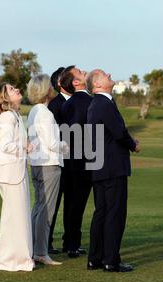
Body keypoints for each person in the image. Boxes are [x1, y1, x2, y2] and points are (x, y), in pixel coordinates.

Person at [86, 69, 139, 272]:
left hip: (100, 166)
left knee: (102, 212)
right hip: (112, 166)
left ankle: (96, 258)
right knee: (114, 213)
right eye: (103, 74)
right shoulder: (104, 104)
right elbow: (119, 132)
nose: (109, 74)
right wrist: (133, 144)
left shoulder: (96, 104)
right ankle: (110, 260)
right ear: (97, 85)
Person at [0, 83, 34, 272]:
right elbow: (6, 145)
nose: (16, 89)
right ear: (4, 97)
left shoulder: (15, 115)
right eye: (11, 89)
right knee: (13, 217)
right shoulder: (7, 117)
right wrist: (24, 147)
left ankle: (21, 258)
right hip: (10, 173)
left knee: (19, 216)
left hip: (16, 170)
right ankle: (11, 260)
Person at [27, 74, 68, 265]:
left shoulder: (34, 111)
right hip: (49, 165)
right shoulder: (46, 113)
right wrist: (65, 146)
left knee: (38, 208)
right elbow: (52, 143)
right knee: (46, 211)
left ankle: (35, 248)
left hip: (36, 164)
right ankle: (41, 252)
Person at [59, 66, 92, 258]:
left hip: (70, 159)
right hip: (84, 160)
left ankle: (70, 242)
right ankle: (73, 243)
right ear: (76, 82)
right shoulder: (87, 102)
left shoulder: (68, 104)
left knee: (71, 202)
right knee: (77, 203)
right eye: (81, 72)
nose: (84, 71)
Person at [47, 67, 72, 254]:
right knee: (52, 204)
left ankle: (71, 242)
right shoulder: (54, 105)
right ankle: (45, 241)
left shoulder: (82, 101)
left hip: (77, 161)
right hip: (59, 159)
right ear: (60, 83)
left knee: (73, 204)